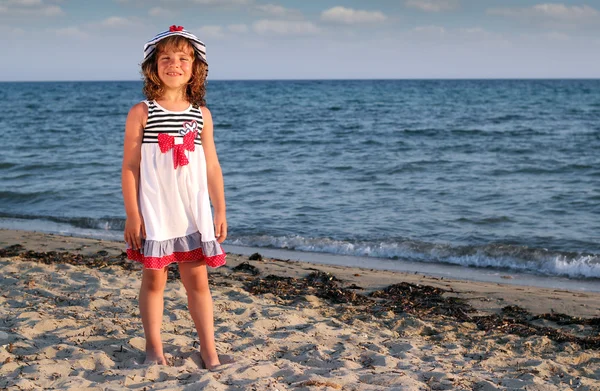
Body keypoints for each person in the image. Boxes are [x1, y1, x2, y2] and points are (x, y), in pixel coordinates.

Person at [121, 25, 227, 370]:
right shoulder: (143, 112)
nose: (175, 64)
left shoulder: (201, 115)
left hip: (191, 211)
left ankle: (208, 350)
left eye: (183, 58)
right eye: (166, 58)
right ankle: (154, 348)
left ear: (196, 68)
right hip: (155, 209)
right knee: (154, 279)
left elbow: (211, 165)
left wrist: (219, 209)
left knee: (197, 280)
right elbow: (130, 168)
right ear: (153, 67)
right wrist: (133, 214)